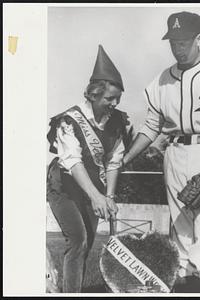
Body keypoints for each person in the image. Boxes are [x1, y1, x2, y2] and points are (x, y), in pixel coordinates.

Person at [123, 11, 200, 293]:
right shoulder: (162, 80)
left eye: (184, 41)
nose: (178, 48)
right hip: (174, 155)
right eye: (173, 42)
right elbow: (151, 127)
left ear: (199, 38)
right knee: (181, 243)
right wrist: (125, 159)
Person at [46, 45, 133, 293]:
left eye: (118, 98)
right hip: (63, 187)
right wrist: (96, 196)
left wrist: (109, 197)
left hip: (92, 188)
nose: (114, 103)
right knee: (78, 240)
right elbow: (73, 162)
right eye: (109, 98)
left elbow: (114, 161)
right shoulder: (69, 120)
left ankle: (73, 289)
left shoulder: (116, 122)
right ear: (94, 94)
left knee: (88, 242)